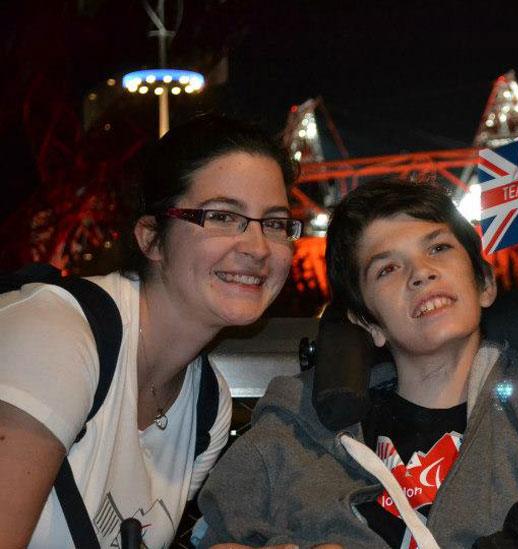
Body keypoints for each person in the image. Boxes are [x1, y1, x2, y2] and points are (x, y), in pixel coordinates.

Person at [197, 178, 518, 548]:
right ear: (367, 323)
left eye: (438, 247)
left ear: (484, 284)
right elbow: (219, 529)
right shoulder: (301, 420)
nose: (421, 274)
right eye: (387, 268)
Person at [0, 114, 300, 547]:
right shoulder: (58, 334)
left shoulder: (206, 404)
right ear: (151, 237)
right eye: (221, 216)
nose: (256, 247)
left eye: (273, 223)